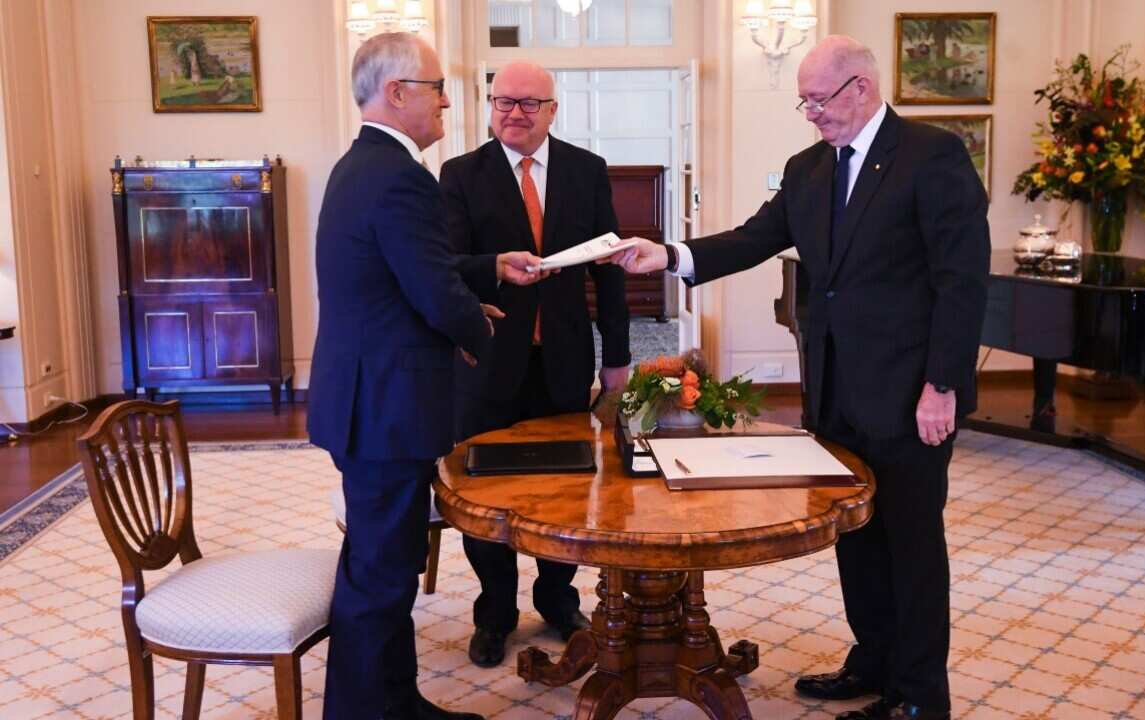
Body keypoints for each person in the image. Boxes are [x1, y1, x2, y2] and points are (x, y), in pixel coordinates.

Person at [604, 36, 989, 720]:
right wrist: (667, 255)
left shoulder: (932, 156)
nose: (811, 113)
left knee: (911, 547)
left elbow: (961, 281)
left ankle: (919, 697)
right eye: (803, 102)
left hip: (910, 393)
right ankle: (872, 662)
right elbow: (753, 238)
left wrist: (943, 386)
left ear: (861, 88)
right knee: (857, 536)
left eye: (819, 100)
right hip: (835, 388)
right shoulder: (808, 168)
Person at [308, 32, 545, 720]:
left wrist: (484, 269)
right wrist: (479, 332)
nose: (446, 102)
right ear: (396, 93)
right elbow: (435, 292)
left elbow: (410, 267)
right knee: (381, 576)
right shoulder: (400, 176)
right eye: (437, 88)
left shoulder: (363, 166)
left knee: (385, 566)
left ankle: (396, 702)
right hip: (384, 408)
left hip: (368, 401)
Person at [440, 61, 631, 668]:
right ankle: (495, 610)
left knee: (566, 489)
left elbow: (609, 268)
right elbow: (445, 264)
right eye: (504, 101)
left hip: (564, 360)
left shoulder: (586, 170)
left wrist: (618, 357)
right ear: (490, 105)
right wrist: (493, 264)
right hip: (487, 358)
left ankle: (556, 599)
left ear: (552, 110)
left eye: (529, 103)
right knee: (485, 493)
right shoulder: (460, 174)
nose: (514, 113)